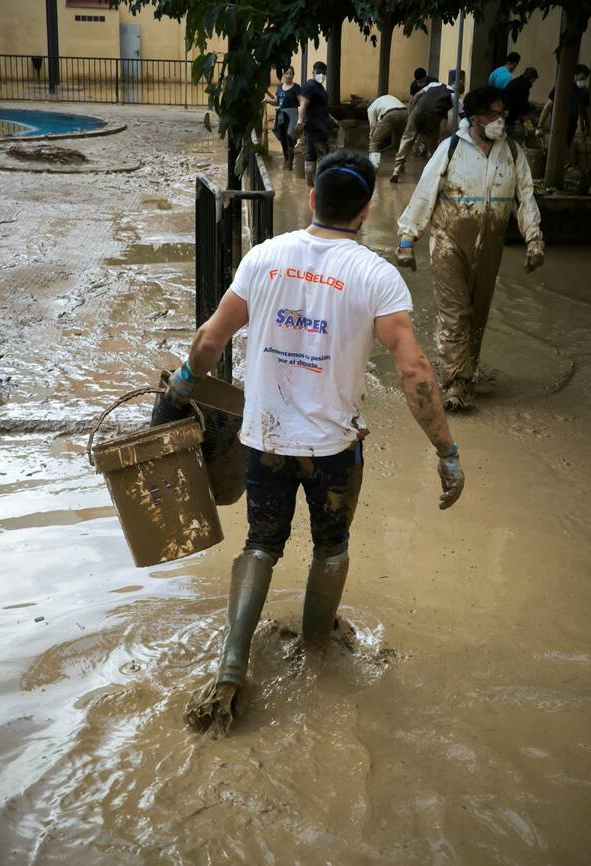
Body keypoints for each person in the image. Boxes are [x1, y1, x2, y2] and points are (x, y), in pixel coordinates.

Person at [157, 150, 465, 738]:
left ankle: (230, 666)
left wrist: (184, 385)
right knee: (330, 546)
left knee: (261, 542)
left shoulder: (265, 257)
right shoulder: (377, 276)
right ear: (367, 209)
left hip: (265, 437)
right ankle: (317, 652)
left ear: (315, 199)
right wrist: (445, 451)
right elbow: (415, 374)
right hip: (332, 448)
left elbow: (210, 336)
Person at [395, 87, 544, 411]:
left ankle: (467, 371)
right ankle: (454, 384)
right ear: (474, 117)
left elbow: (526, 197)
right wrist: (408, 240)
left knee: (477, 314)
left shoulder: (513, 153)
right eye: (492, 114)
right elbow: (424, 193)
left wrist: (534, 239)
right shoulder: (451, 149)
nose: (499, 120)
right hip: (449, 240)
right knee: (456, 313)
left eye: (502, 114)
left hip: (491, 243)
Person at [389, 70, 464, 184]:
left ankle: (396, 170)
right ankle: (431, 173)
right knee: (432, 145)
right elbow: (462, 116)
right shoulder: (454, 96)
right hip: (433, 116)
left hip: (417, 111)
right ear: (461, 91)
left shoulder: (434, 84)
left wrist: (411, 112)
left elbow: (417, 96)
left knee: (407, 139)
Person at [294, 61, 330, 187]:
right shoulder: (310, 86)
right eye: (319, 72)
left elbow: (322, 107)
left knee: (311, 155)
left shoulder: (320, 88)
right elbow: (303, 105)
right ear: (313, 73)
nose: (321, 75)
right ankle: (321, 186)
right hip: (315, 127)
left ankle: (311, 187)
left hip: (320, 126)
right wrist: (299, 122)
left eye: (324, 73)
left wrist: (332, 120)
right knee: (324, 157)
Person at [538, 63, 590, 146]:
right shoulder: (561, 87)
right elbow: (548, 106)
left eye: (584, 79)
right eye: (581, 78)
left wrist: (587, 127)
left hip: (572, 126)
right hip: (558, 126)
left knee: (566, 148)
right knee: (555, 148)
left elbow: (584, 111)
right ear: (575, 76)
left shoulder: (584, 92)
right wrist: (540, 125)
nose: (582, 81)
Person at [265, 65, 301, 170]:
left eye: (291, 73)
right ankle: (286, 159)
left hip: (292, 116)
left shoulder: (296, 87)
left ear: (293, 75)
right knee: (282, 138)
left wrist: (301, 116)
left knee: (290, 137)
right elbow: (277, 101)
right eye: (287, 73)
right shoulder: (280, 87)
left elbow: (301, 102)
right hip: (281, 116)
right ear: (284, 74)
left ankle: (290, 162)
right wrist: (268, 101)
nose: (289, 75)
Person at [366, 93, 408, 173]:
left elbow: (373, 125)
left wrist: (371, 135)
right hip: (404, 112)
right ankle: (400, 166)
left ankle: (374, 167)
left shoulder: (371, 108)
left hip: (390, 114)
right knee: (398, 142)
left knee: (374, 143)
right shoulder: (385, 98)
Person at [504, 66, 539, 139]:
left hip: (505, 115)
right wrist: (530, 129)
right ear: (532, 78)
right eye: (534, 80)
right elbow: (524, 111)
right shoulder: (523, 87)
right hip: (509, 120)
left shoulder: (516, 81)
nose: (533, 83)